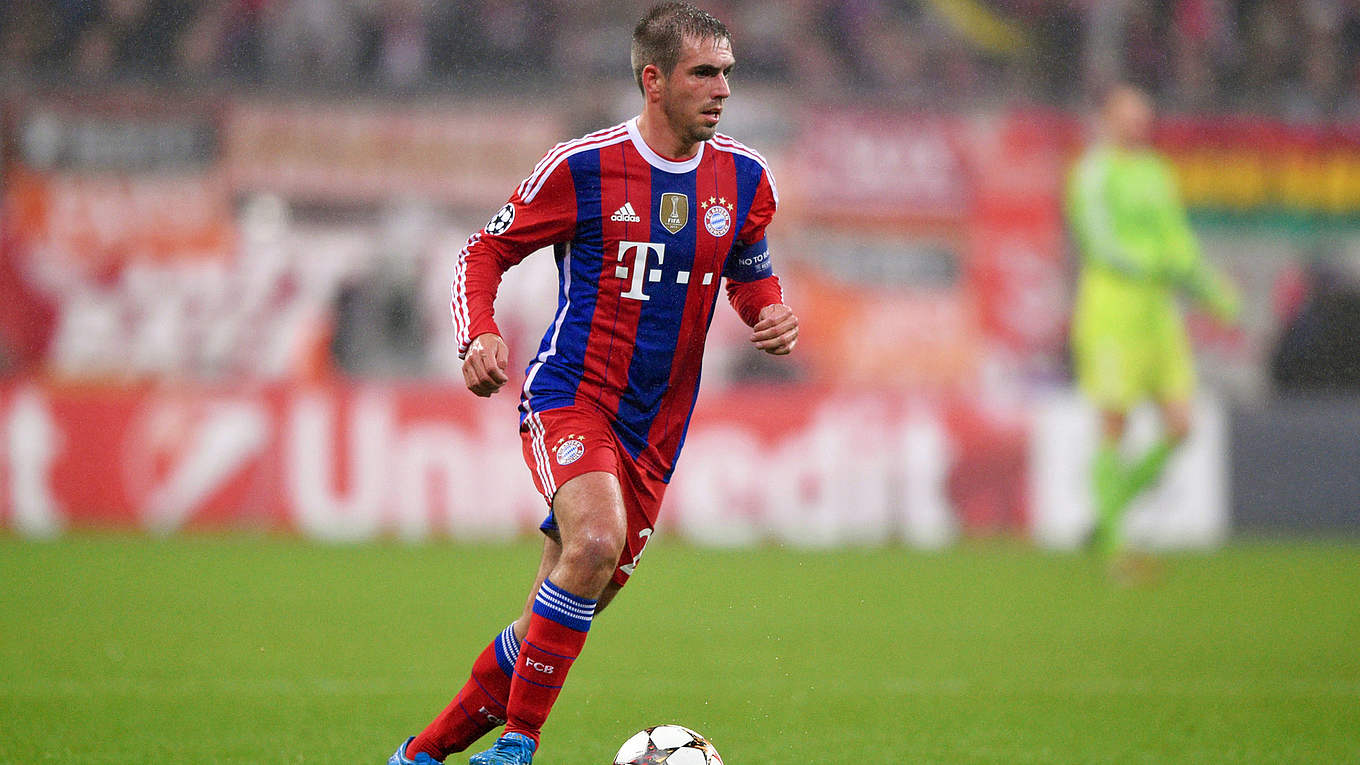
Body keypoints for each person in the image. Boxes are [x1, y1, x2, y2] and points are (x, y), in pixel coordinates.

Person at [388, 4, 799, 764]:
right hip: (572, 394)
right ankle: (518, 745)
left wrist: (768, 311)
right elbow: (483, 251)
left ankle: (418, 756)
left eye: (727, 73)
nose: (722, 89)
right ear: (654, 80)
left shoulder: (744, 178)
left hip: (657, 430)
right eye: (703, 73)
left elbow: (749, 269)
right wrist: (478, 332)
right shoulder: (583, 167)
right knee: (597, 540)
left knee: (562, 607)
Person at [1066, 84, 1238, 565]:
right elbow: (1099, 243)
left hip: (1159, 315)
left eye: (1143, 117)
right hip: (1112, 312)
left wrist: (1211, 291)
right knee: (1114, 424)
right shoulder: (1093, 173)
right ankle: (1117, 547)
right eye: (1128, 117)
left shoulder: (1157, 171)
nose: (1138, 125)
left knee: (1182, 426)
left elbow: (1178, 240)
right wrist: (1158, 264)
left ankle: (1108, 515)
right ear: (1107, 120)